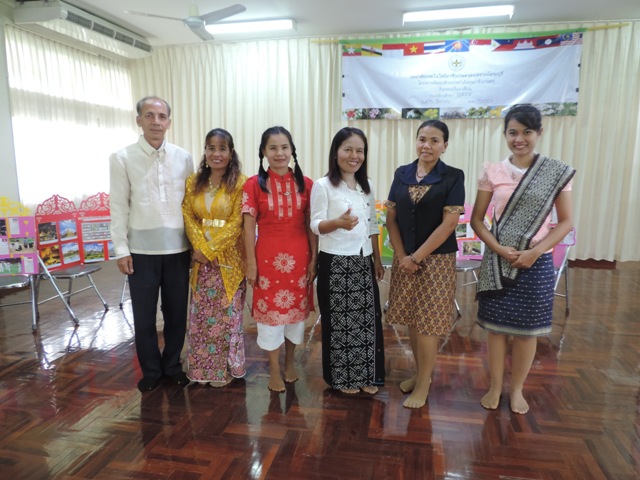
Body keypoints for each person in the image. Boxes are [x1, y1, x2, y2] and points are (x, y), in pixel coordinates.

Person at [471, 104, 575, 414]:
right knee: (496, 329)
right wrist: (499, 249)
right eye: (513, 132)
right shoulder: (493, 171)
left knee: (528, 332)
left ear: (539, 133)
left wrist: (535, 251)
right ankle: (494, 387)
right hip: (498, 261)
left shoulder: (556, 172)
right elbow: (477, 219)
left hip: (536, 261)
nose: (519, 139)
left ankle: (516, 390)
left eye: (527, 132)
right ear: (505, 134)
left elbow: (566, 222)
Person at [110, 96, 193, 392]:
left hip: (178, 250)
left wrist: (195, 246)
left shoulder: (184, 157)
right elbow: (118, 206)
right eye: (149, 115)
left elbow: (190, 206)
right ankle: (151, 371)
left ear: (169, 122)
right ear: (139, 120)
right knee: (144, 318)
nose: (156, 122)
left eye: (161, 116)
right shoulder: (122, 158)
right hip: (141, 252)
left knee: (176, 315)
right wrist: (121, 249)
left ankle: (172, 366)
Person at [385, 119, 465, 409]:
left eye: (434, 140)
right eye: (422, 139)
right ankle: (419, 374)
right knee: (411, 318)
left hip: (437, 261)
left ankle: (424, 382)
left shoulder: (452, 176)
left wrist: (416, 257)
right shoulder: (402, 173)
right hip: (404, 258)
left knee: (428, 323)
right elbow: (391, 218)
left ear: (445, 145)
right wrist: (402, 256)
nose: (426, 145)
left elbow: (449, 224)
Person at [310, 127, 385, 395]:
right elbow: (315, 225)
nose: (354, 156)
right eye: (348, 149)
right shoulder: (323, 186)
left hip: (363, 261)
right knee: (341, 323)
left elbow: (373, 224)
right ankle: (342, 379)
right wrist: (337, 223)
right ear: (336, 153)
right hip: (336, 263)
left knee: (366, 321)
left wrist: (377, 259)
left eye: (360, 151)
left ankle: (366, 376)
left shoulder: (367, 186)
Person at [242, 126, 317, 393]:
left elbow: (311, 225)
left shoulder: (307, 184)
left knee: (295, 317)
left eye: (284, 147)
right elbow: (248, 228)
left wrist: (314, 259)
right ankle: (274, 369)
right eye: (272, 148)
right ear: (263, 151)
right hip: (266, 259)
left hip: (300, 258)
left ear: (292, 150)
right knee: (269, 318)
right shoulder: (253, 184)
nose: (279, 153)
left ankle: (289, 362)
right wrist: (251, 263)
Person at [182, 128, 247, 387]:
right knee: (202, 317)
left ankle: (226, 369)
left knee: (228, 317)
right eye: (211, 148)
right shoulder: (193, 181)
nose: (216, 154)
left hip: (229, 261)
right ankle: (203, 370)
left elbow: (237, 222)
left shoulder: (241, 183)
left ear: (231, 153)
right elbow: (188, 215)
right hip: (201, 262)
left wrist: (210, 250)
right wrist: (200, 249)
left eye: (222, 149)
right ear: (205, 151)